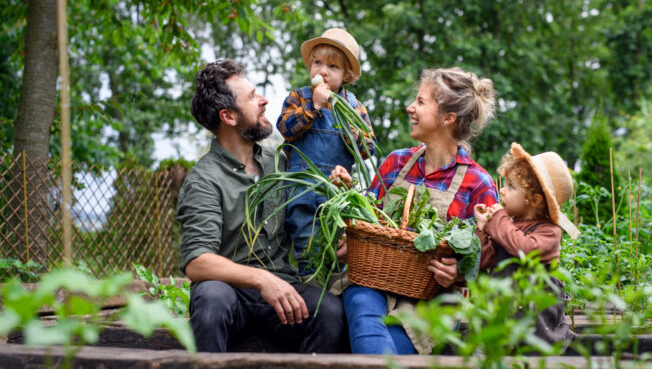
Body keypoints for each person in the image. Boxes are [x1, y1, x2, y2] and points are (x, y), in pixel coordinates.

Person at [177, 59, 346, 353]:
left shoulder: (282, 163)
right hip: (233, 295)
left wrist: (336, 197)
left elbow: (309, 216)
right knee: (211, 297)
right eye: (253, 97)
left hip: (282, 295)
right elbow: (197, 262)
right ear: (228, 117)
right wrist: (261, 279)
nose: (264, 100)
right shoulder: (203, 180)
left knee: (330, 311)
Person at [331, 67, 500, 355]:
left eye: (421, 102)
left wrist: (459, 272)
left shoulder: (478, 182)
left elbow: (489, 259)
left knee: (383, 347)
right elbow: (366, 221)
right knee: (362, 304)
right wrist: (348, 201)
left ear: (447, 118)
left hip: (433, 299)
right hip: (375, 281)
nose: (410, 107)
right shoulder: (396, 163)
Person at [277, 28, 375, 276]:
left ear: (346, 75)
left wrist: (355, 136)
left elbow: (368, 149)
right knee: (307, 244)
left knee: (337, 243)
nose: (323, 71)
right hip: (302, 188)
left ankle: (334, 284)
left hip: (337, 189)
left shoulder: (355, 107)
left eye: (333, 67)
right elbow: (285, 128)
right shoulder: (299, 97)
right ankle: (310, 281)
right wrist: (315, 106)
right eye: (318, 63)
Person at [474, 142, 580, 345]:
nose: (502, 191)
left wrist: (498, 221)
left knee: (532, 350)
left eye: (510, 186)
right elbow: (485, 260)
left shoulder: (550, 231)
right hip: (503, 309)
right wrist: (482, 228)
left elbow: (525, 249)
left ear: (535, 200)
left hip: (535, 318)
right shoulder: (508, 226)